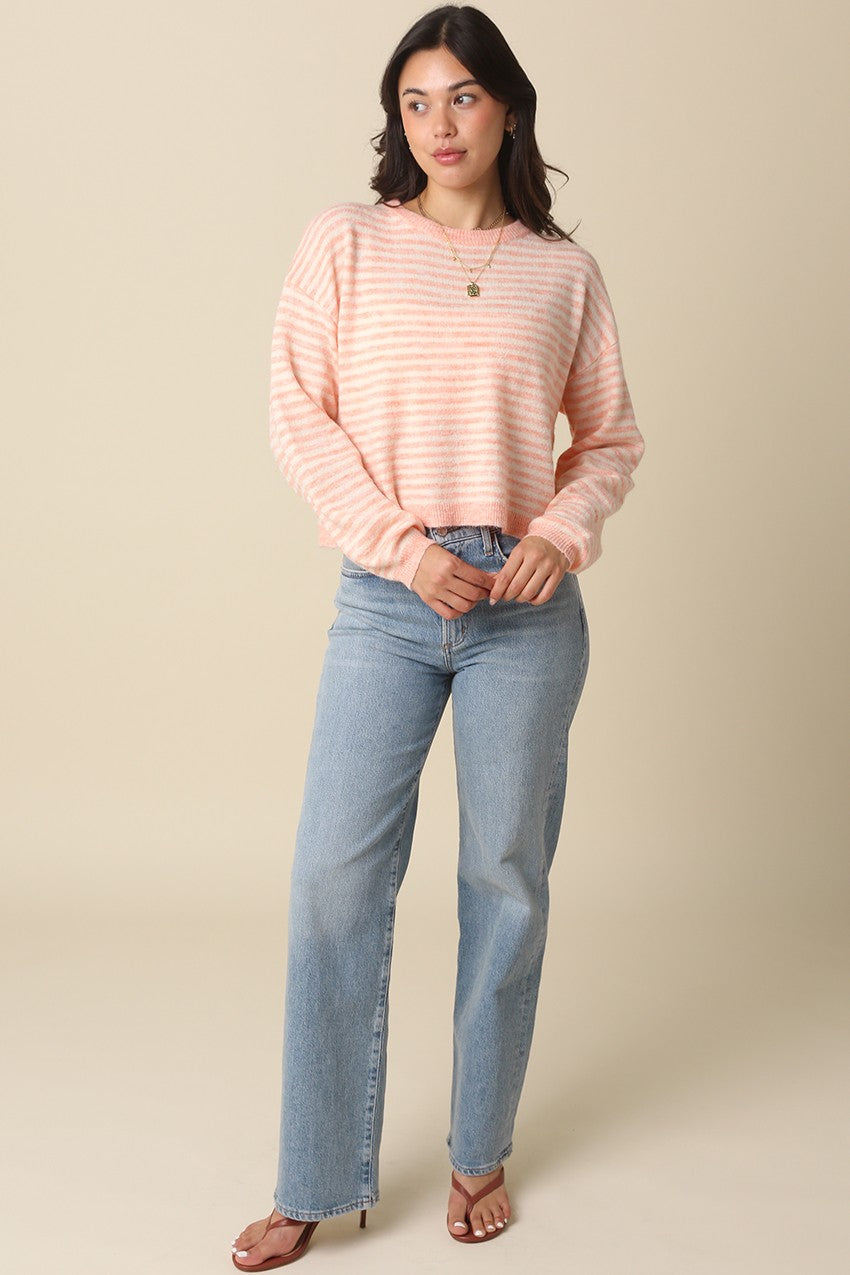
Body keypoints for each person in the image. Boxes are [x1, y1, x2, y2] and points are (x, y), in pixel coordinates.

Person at [231, 4, 645, 1267]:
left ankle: (480, 1149)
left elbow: (609, 441)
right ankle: (314, 1172)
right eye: (416, 102)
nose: (439, 124)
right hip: (388, 596)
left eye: (462, 96)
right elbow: (297, 414)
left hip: (525, 608)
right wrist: (402, 549)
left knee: (504, 882)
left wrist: (558, 531)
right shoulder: (347, 241)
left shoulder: (563, 272)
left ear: (507, 108)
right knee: (333, 878)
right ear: (395, 120)